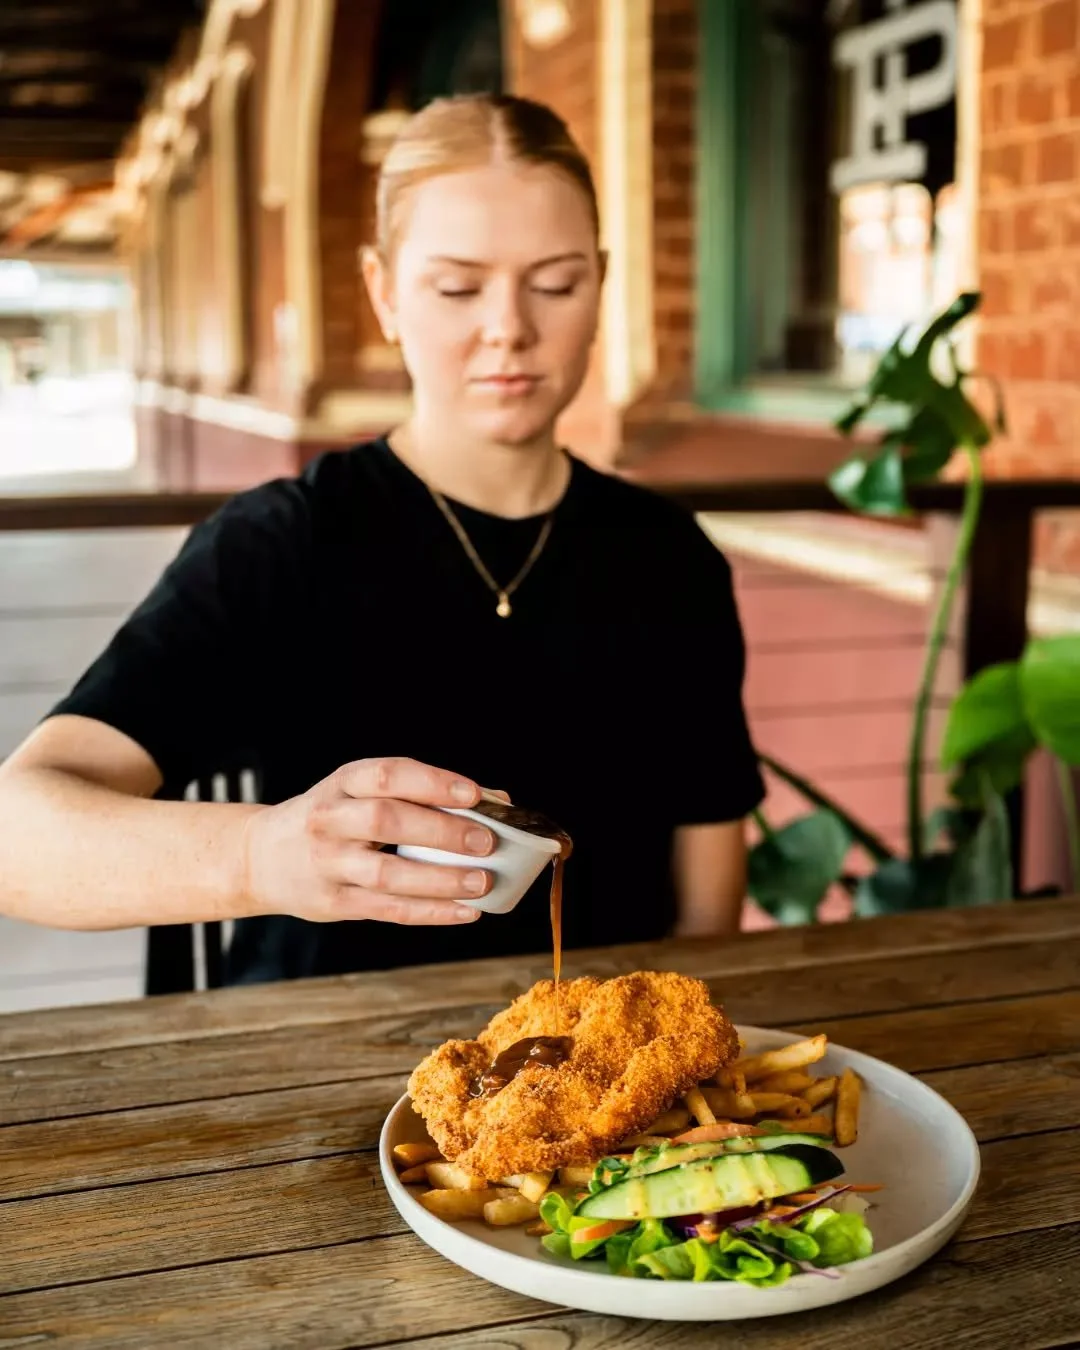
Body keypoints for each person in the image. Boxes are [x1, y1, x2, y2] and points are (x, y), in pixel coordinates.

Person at [0, 94, 764, 983]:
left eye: (555, 282)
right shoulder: (280, 543)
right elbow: (21, 833)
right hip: (311, 1056)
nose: (509, 327)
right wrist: (261, 856)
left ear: (600, 284)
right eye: (457, 286)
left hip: (589, 1075)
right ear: (383, 293)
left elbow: (709, 900)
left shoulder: (669, 557)